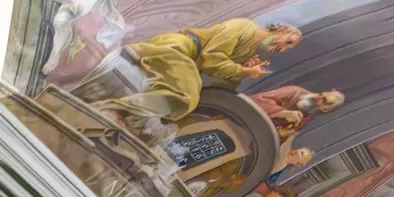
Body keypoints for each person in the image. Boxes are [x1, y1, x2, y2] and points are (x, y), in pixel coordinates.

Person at [117, 18, 301, 125]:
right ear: (281, 29)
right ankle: (118, 111)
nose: (283, 49)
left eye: (288, 49)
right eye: (288, 42)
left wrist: (242, 70)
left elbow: (221, 86)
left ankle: (129, 115)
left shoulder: (251, 53)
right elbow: (210, 58)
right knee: (186, 98)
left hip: (188, 64)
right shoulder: (244, 26)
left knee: (186, 103)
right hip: (180, 49)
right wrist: (243, 70)